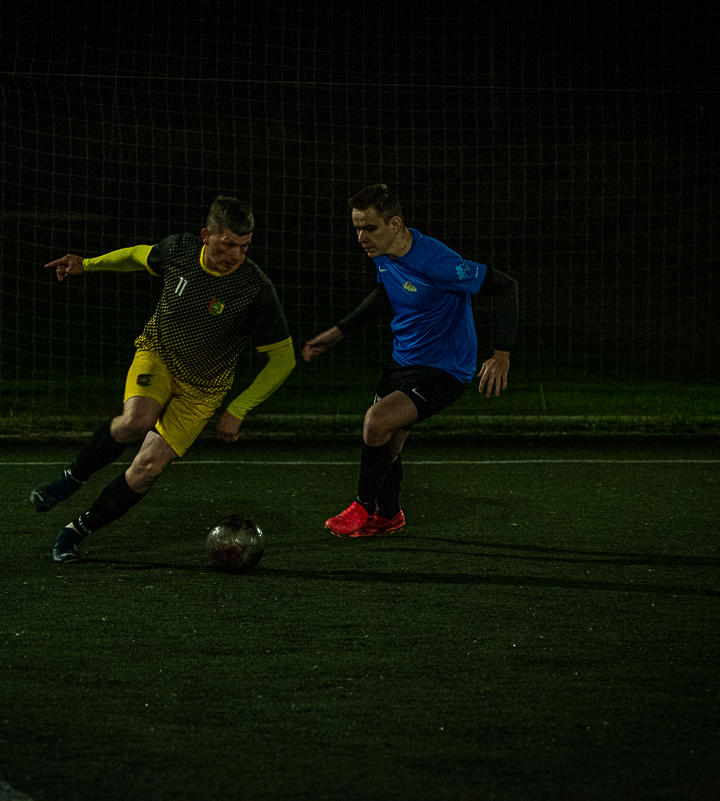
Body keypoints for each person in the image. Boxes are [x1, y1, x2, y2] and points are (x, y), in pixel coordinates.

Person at [31, 195, 295, 563]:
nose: (236, 254)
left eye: (244, 246)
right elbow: (137, 255)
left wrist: (239, 408)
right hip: (158, 355)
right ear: (206, 235)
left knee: (146, 470)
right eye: (228, 244)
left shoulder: (255, 289)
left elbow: (283, 358)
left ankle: (73, 533)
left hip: (203, 390)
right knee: (134, 422)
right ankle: (71, 479)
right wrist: (87, 264)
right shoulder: (179, 251)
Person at [302, 184, 518, 537]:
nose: (361, 237)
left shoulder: (439, 262)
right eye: (357, 228)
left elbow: (506, 287)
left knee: (375, 422)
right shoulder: (382, 253)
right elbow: (384, 293)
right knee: (385, 443)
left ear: (395, 224)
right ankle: (388, 514)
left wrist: (501, 354)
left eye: (369, 228)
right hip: (402, 360)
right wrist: (338, 332)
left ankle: (362, 506)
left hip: (445, 370)